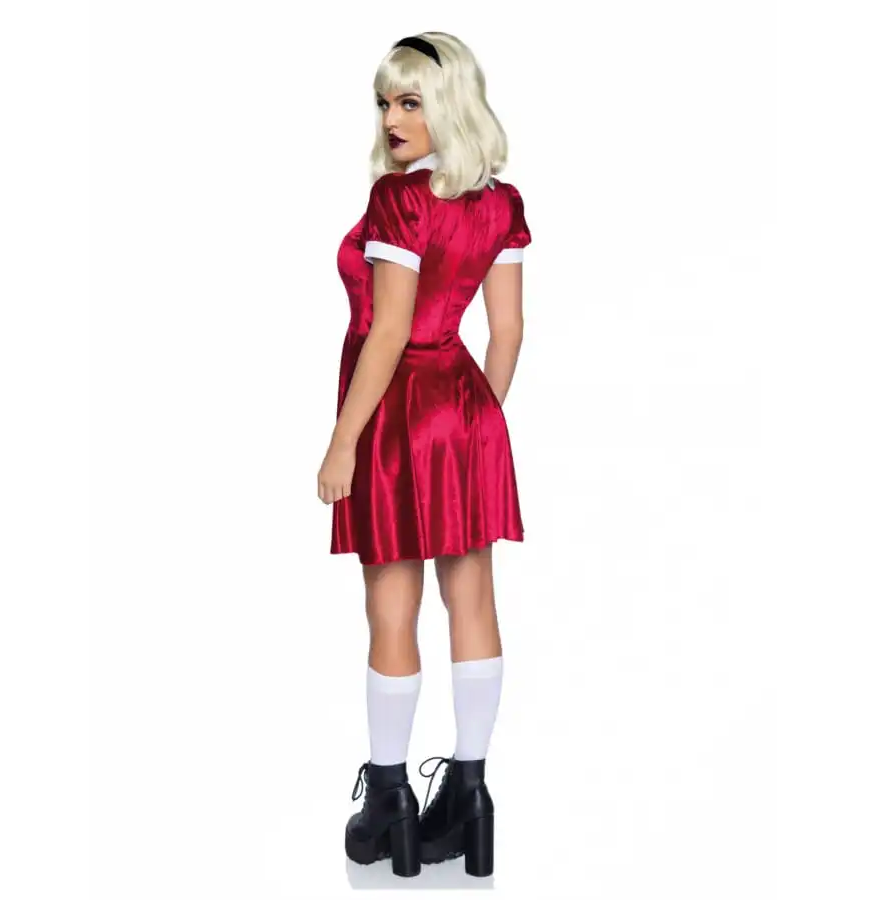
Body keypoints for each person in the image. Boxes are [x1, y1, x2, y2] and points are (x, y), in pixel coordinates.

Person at [316, 32, 532, 878]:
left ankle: (392, 798)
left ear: (448, 104)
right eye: (384, 102)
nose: (391, 119)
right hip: (469, 408)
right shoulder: (501, 203)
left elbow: (390, 332)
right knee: (473, 597)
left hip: (398, 413)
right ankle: (472, 797)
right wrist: (476, 424)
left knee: (392, 605)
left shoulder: (401, 200)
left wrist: (343, 442)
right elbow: (507, 331)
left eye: (410, 101)